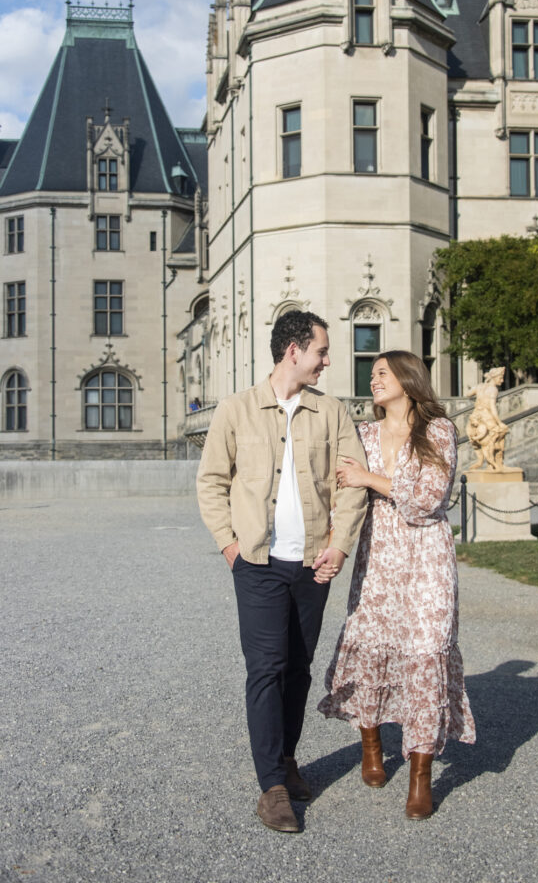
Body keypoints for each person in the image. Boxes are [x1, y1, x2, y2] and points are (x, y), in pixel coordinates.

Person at [197, 311, 368, 833]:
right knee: (266, 668)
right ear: (294, 350)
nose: (328, 360)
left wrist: (339, 547)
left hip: (314, 563)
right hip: (258, 563)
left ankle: (287, 759)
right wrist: (229, 546)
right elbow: (210, 483)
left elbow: (352, 485)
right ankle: (272, 787)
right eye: (321, 350)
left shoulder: (332, 412)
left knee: (298, 668)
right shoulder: (237, 410)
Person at [318, 350, 475, 819]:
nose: (373, 380)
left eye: (382, 373)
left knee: (426, 652)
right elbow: (340, 493)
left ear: (408, 379)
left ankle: (421, 775)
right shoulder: (362, 433)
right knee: (371, 644)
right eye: (371, 374)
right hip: (377, 555)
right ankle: (371, 745)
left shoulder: (438, 430)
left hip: (426, 556)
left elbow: (429, 498)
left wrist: (368, 477)